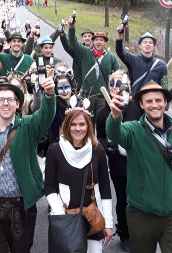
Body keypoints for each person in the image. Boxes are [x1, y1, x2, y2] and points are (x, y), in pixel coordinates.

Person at [107, 81, 172, 252]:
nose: (154, 105)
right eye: (149, 101)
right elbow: (115, 134)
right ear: (141, 104)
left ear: (165, 103)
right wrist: (115, 117)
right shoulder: (133, 130)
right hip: (141, 213)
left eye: (158, 100)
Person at [0, 78, 56, 253]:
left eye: (10, 99)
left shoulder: (27, 126)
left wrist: (49, 95)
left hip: (22, 205)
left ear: (17, 104)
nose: (5, 103)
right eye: (1, 99)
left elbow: (45, 115)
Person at [45, 108, 113, 252]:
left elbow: (105, 189)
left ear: (88, 126)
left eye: (82, 124)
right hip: (65, 216)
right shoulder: (55, 150)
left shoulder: (97, 150)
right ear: (67, 126)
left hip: (93, 218)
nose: (77, 128)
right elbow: (49, 187)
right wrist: (60, 216)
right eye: (73, 124)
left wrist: (108, 223)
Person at [96, 70, 131, 251]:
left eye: (120, 84)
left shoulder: (135, 107)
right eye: (113, 84)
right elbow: (100, 137)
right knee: (123, 199)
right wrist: (111, 149)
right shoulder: (103, 112)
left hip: (138, 163)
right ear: (109, 88)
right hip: (118, 164)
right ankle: (124, 233)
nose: (116, 88)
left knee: (139, 199)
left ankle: (142, 231)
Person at [68, 18, 119, 124]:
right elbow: (73, 42)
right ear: (93, 41)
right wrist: (72, 27)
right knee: (87, 123)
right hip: (87, 95)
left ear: (105, 42)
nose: (98, 42)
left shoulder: (111, 58)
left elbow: (117, 76)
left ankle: (101, 140)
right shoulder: (85, 52)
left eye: (101, 40)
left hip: (103, 97)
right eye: (96, 39)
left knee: (102, 123)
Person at [116, 28, 167, 95]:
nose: (148, 44)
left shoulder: (161, 65)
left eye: (150, 43)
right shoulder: (133, 60)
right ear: (140, 45)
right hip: (135, 101)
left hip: (152, 102)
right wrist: (120, 35)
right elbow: (120, 52)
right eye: (145, 42)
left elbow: (165, 87)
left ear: (154, 46)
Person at [59, 21, 94, 91]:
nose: (87, 38)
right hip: (78, 85)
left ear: (93, 38)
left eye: (89, 36)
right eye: (85, 36)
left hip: (92, 86)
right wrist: (62, 35)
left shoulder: (97, 52)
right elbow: (67, 46)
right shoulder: (77, 50)